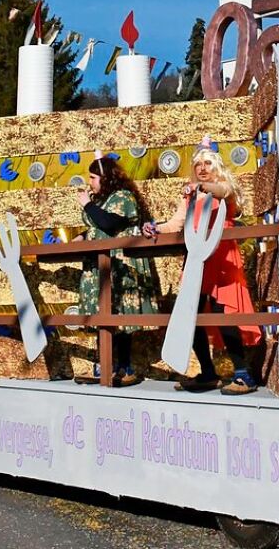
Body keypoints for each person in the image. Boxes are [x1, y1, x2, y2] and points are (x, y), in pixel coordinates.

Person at [144, 137, 262, 395]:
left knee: (225, 314)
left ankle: (243, 374)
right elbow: (176, 223)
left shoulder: (222, 186)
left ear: (216, 165)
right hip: (197, 258)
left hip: (222, 259)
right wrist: (154, 227)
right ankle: (208, 372)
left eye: (207, 162)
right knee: (190, 315)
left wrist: (203, 187)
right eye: (198, 164)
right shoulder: (190, 193)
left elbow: (222, 193)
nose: (202, 167)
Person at [76, 155, 157, 387]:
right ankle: (104, 365)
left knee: (119, 315)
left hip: (118, 264)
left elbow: (111, 224)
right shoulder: (101, 200)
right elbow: (97, 225)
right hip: (99, 265)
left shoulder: (122, 197)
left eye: (93, 177)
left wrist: (87, 204)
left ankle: (125, 367)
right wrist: (81, 236)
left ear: (106, 178)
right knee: (102, 314)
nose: (90, 182)